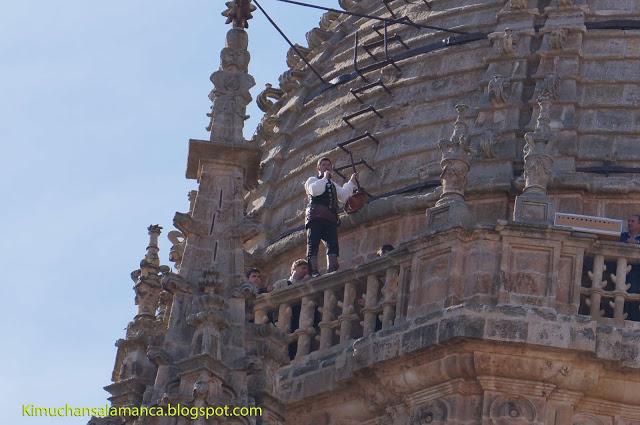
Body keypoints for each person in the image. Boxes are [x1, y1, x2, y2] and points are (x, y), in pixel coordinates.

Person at [304, 157, 358, 276]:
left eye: (328, 165)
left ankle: (332, 268)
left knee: (332, 243)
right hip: (315, 216)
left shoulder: (332, 184)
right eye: (324, 165)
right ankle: (313, 270)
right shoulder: (312, 180)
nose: (327, 167)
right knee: (313, 242)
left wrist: (351, 182)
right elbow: (314, 191)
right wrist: (324, 178)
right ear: (318, 168)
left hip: (330, 218)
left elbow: (344, 196)